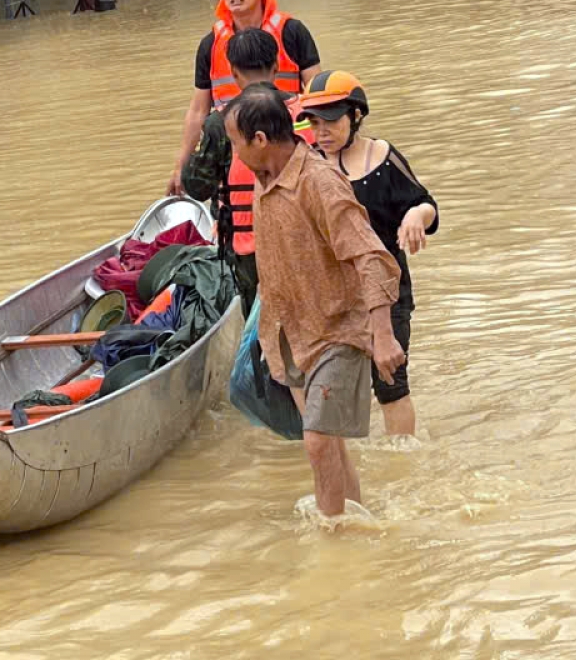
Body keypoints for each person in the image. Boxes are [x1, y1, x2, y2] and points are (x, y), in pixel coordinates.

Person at [225, 84, 404, 519]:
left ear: (260, 140)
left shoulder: (320, 182)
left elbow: (371, 256)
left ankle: (331, 535)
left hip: (336, 330)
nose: (232, 152)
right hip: (289, 330)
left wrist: (383, 336)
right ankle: (353, 516)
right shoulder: (264, 180)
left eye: (234, 142)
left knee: (318, 441)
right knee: (329, 444)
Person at [298, 72, 437, 437]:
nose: (321, 131)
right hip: (333, 298)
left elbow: (426, 204)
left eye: (331, 120)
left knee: (391, 384)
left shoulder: (382, 157)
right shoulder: (308, 168)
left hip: (388, 291)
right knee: (330, 389)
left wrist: (413, 217)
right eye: (314, 122)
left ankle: (400, 464)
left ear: (355, 116)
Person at [167, 0, 322, 197]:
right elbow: (197, 111)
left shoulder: (292, 32)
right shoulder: (211, 44)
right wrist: (180, 166)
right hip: (230, 152)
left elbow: (318, 96)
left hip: (286, 150)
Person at [182, 28, 314, 309]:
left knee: (263, 326)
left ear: (232, 72)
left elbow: (196, 186)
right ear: (277, 66)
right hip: (308, 238)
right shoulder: (307, 112)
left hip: (249, 250)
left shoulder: (222, 123)